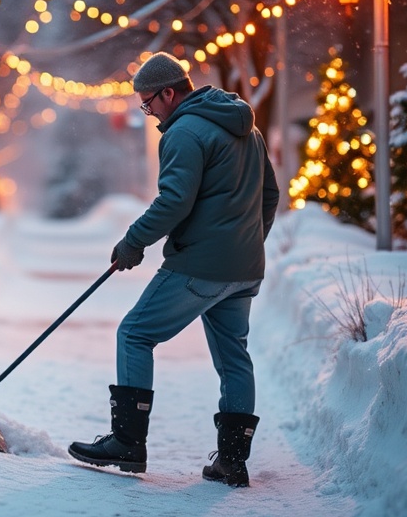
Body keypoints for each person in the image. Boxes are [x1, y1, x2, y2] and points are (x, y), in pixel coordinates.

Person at [67, 52, 279, 488]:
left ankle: (127, 442)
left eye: (149, 103)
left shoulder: (184, 132)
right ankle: (232, 462)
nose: (149, 113)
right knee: (234, 358)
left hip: (201, 265)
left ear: (169, 92)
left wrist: (133, 242)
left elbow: (174, 201)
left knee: (135, 334)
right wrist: (246, 244)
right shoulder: (248, 129)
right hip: (244, 267)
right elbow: (271, 195)